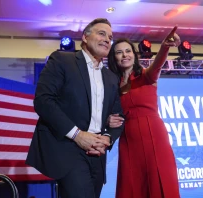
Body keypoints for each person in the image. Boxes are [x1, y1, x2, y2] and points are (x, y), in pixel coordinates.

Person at [26, 18, 124, 198]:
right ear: (85, 37)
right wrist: (78, 135)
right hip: (69, 149)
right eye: (101, 33)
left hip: (98, 154)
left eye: (110, 37)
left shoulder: (111, 77)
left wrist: (107, 139)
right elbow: (43, 101)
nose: (107, 40)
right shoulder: (63, 60)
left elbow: (118, 117)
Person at [107, 26, 181, 198]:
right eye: (119, 52)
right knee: (132, 185)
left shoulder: (147, 76)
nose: (124, 55)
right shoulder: (112, 86)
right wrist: (107, 120)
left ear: (134, 54)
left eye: (128, 51)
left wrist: (165, 46)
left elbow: (158, 63)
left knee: (159, 182)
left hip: (154, 137)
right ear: (114, 58)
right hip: (128, 142)